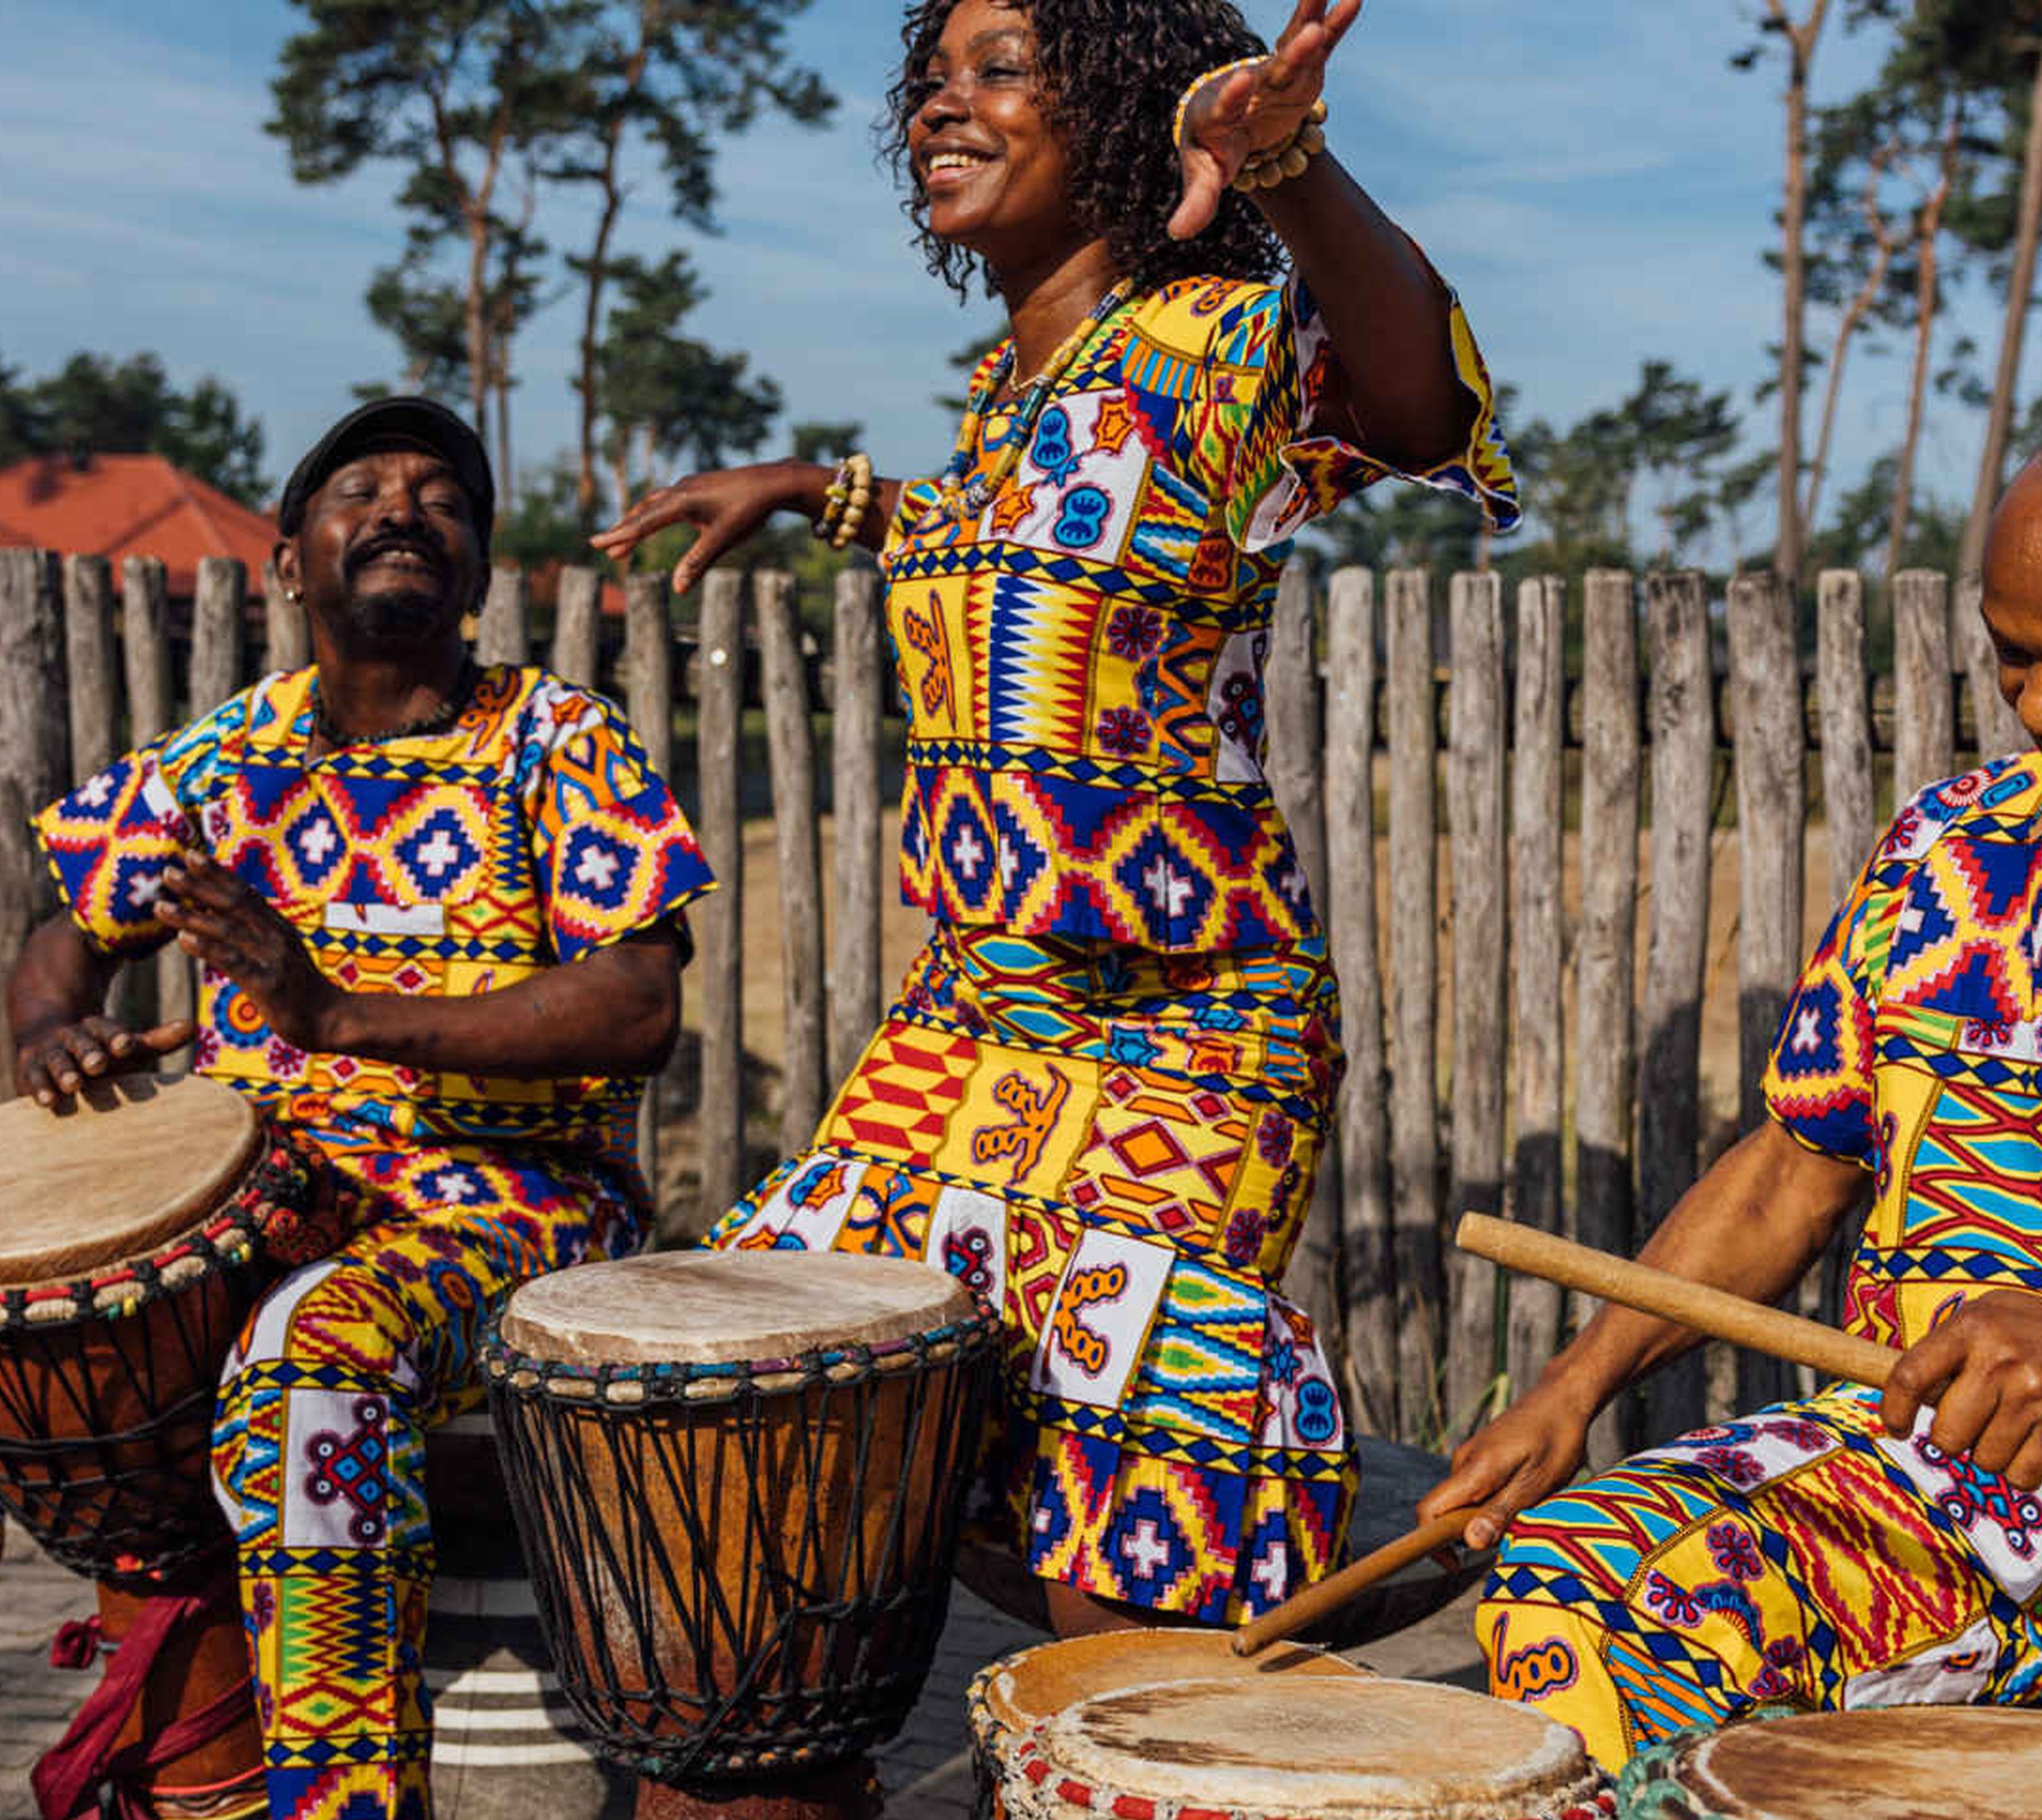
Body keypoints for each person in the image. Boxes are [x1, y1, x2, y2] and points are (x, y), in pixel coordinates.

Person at [595, 0, 1516, 1638]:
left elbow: (1414, 410)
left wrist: (1289, 166)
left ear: (1116, 116)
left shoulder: (1220, 347)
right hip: (968, 1022)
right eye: (931, 78)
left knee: (1126, 1443)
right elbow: (999, 539)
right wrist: (822, 490)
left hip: (1182, 1029)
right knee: (765, 1373)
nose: (945, 103)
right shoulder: (1005, 389)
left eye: (1001, 69)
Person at [0, 397, 713, 1820]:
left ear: (478, 573)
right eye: (361, 487)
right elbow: (67, 928)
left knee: (312, 1351)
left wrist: (340, 1016)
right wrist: (55, 1028)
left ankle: (343, 1805)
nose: (405, 506)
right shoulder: (219, 760)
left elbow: (635, 1006)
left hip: (504, 1204)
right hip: (263, 1197)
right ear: (291, 562)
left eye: (443, 495)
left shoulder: (556, 741)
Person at [1422, 389, 2042, 1771]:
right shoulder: (1948, 849)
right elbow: (1799, 1165)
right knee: (1587, 1582)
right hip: (1928, 1484)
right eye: (2014, 661)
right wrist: (1579, 1384)